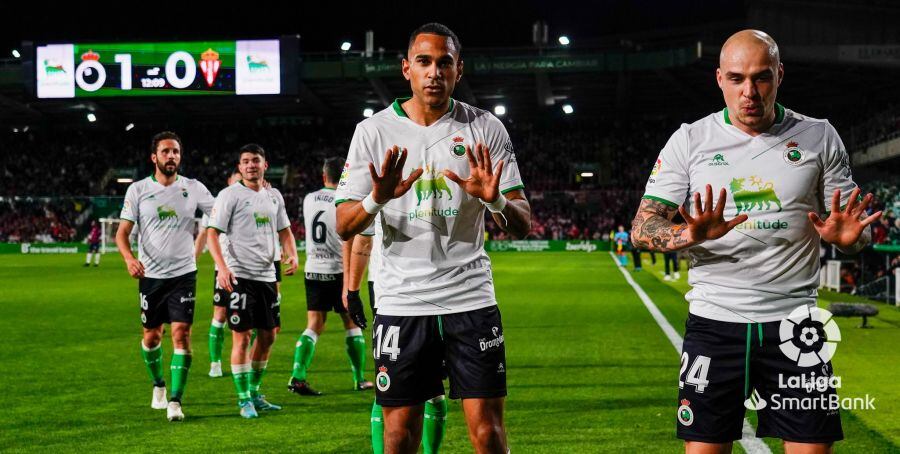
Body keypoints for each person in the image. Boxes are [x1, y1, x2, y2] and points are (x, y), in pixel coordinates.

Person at [630, 30, 882, 453]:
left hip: (796, 326)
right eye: (736, 78)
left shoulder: (819, 135)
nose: (750, 91)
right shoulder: (690, 140)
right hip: (714, 324)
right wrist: (687, 234)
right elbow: (642, 227)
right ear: (719, 80)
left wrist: (851, 241)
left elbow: (855, 233)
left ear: (780, 75)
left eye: (762, 77)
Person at [335, 23, 531, 453]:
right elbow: (344, 224)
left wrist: (495, 200)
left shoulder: (486, 128)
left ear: (459, 70)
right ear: (407, 69)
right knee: (399, 435)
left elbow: (522, 222)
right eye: (424, 62)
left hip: (471, 299)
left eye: (445, 63)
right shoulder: (372, 133)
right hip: (402, 301)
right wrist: (375, 199)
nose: (434, 72)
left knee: (489, 435)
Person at [115, 131, 215, 422]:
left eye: (176, 152)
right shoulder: (137, 190)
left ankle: (175, 400)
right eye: (166, 151)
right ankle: (158, 385)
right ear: (154, 157)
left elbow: (221, 212)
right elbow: (122, 233)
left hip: (184, 274)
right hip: (151, 276)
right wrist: (129, 258)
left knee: (182, 334)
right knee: (152, 336)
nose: (171, 156)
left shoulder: (193, 188)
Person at [207, 143, 299, 419]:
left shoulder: (274, 196)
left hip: (267, 277)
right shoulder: (229, 195)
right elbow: (212, 234)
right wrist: (222, 269)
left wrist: (292, 254)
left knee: (269, 335)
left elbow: (285, 231)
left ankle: (256, 392)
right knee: (242, 336)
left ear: (265, 165)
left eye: (255, 160)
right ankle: (243, 397)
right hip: (240, 276)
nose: (250, 165)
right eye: (245, 161)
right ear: (239, 167)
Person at [345, 221, 448, 454]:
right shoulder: (383, 188)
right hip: (390, 293)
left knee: (433, 385)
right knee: (390, 383)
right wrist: (352, 292)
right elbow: (362, 238)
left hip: (443, 291)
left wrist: (352, 291)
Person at [287, 157, 374, 396]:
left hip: (313, 269)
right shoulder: (345, 201)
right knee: (352, 323)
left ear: (324, 176)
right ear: (345, 176)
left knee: (314, 325)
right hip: (338, 271)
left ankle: (298, 376)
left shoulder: (308, 199)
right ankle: (359, 379)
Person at [193, 170, 242, 378]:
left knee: (247, 320)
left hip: (247, 271)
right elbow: (204, 234)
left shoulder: (253, 201)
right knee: (219, 316)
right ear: (228, 182)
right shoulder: (216, 204)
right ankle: (215, 363)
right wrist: (192, 260)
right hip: (223, 270)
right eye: (235, 181)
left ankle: (242, 359)